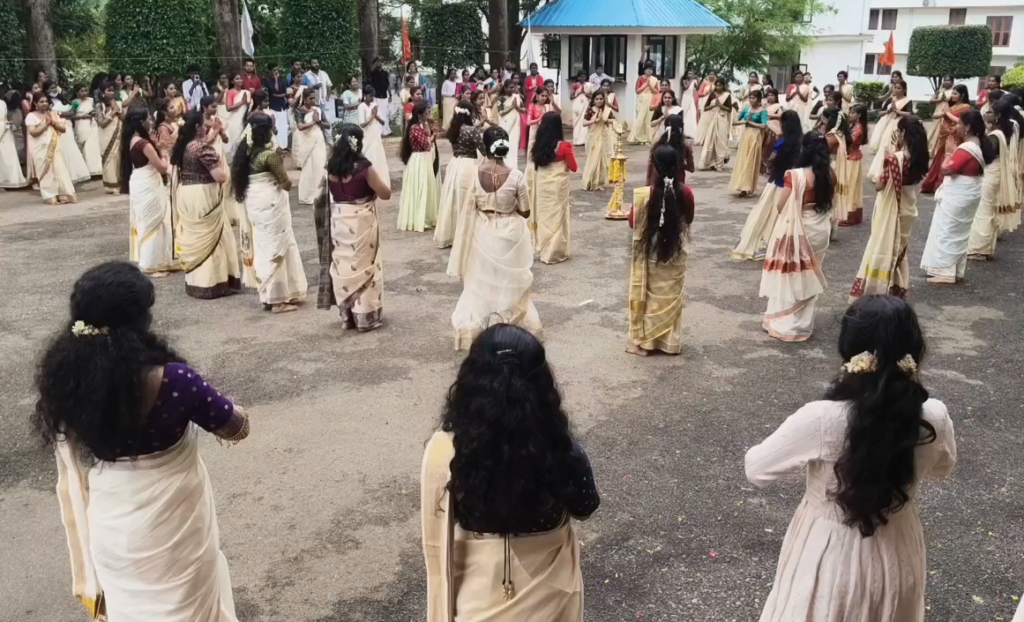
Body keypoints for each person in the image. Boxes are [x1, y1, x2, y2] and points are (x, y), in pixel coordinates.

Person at [37, 261, 248, 621]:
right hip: (177, 529)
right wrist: (234, 410)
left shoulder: (67, 381)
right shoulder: (175, 381)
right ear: (138, 321)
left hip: (113, 527)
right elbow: (235, 428)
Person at [747, 294, 955, 621]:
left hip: (828, 552)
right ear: (914, 349)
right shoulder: (935, 416)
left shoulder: (821, 418)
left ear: (849, 348)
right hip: (899, 550)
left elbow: (757, 468)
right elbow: (943, 467)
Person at [422, 323, 597, 621]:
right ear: (542, 386)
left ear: (470, 383)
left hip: (476, 597)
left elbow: (443, 519)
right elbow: (585, 506)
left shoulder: (446, 454)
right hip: (550, 597)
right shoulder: (561, 451)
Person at [448, 128, 541, 349]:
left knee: (482, 280)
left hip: (482, 231)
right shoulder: (516, 176)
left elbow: (469, 206)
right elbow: (526, 212)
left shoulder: (473, 173)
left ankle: (482, 326)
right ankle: (507, 325)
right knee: (508, 283)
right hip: (510, 233)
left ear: (486, 146)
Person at [313, 125, 392, 330]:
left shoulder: (331, 168)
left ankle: (347, 317)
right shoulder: (363, 168)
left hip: (339, 222)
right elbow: (385, 194)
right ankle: (365, 317)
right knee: (365, 266)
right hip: (361, 223)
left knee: (344, 265)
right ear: (358, 142)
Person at [759, 132, 835, 341]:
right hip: (820, 230)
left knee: (791, 274)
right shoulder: (830, 174)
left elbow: (781, 205)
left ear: (805, 149)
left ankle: (787, 324)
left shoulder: (795, 175)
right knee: (810, 273)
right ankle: (803, 324)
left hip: (800, 229)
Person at [229, 114, 307, 312]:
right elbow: (286, 184)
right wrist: (280, 161)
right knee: (276, 246)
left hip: (255, 203)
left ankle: (267, 293)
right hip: (271, 204)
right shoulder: (268, 156)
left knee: (263, 246)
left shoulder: (245, 154)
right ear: (267, 132)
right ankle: (277, 300)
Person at [850, 117, 930, 301]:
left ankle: (876, 289)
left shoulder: (895, 159)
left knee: (882, 248)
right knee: (897, 250)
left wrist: (888, 157)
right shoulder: (920, 157)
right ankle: (895, 289)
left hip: (890, 211)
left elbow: (879, 185)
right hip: (907, 208)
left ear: (903, 133)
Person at [627, 145, 694, 356]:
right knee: (670, 295)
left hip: (650, 249)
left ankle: (645, 343)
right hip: (676, 250)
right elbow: (689, 219)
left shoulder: (644, 195)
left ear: (654, 167)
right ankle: (668, 343)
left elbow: (632, 222)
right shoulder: (686, 193)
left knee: (648, 295)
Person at [170, 111, 242, 299]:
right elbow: (220, 177)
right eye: (204, 125)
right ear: (197, 128)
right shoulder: (202, 149)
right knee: (214, 236)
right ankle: (213, 282)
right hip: (204, 194)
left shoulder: (183, 147)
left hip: (187, 194)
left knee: (196, 234)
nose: (206, 127)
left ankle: (197, 282)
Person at [920, 110, 992, 283]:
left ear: (967, 127)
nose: (956, 126)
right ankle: (954, 270)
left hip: (959, 196)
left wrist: (948, 153)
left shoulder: (967, 148)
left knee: (948, 231)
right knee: (958, 232)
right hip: (968, 194)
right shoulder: (977, 145)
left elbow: (947, 169)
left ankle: (945, 272)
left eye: (959, 123)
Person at [732, 110, 803, 261]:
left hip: (776, 182)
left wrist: (768, 164)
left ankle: (766, 244)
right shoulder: (801, 144)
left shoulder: (782, 143)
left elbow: (771, 160)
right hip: (792, 183)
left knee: (766, 213)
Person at [121, 106, 177, 277]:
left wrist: (156, 146)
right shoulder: (143, 144)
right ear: (141, 122)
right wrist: (163, 151)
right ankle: (150, 264)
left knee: (148, 221)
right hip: (148, 182)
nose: (151, 121)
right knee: (153, 221)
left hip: (140, 180)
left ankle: (159, 260)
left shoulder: (132, 139)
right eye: (148, 119)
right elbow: (162, 167)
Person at [966, 100, 1019, 260]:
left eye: (989, 112)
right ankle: (985, 247)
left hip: (991, 173)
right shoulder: (1002, 130)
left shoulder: (996, 135)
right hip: (994, 172)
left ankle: (979, 249)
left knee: (984, 209)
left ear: (998, 115)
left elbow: (988, 155)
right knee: (988, 209)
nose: (985, 114)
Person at [529, 111, 577, 264]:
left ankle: (544, 248)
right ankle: (554, 251)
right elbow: (574, 167)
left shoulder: (537, 146)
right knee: (558, 217)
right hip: (557, 186)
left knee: (544, 216)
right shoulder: (564, 146)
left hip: (542, 185)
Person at [436, 101, 483, 249]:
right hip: (468, 165)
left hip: (455, 163)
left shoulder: (453, 129)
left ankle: (451, 232)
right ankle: (466, 234)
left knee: (453, 198)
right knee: (466, 199)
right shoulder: (471, 130)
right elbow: (483, 149)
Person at [25, 92, 77, 204]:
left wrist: (53, 123)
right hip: (40, 149)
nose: (44, 103)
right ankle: (50, 195)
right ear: (35, 103)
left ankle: (63, 194)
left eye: (46, 101)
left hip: (54, 147)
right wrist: (45, 124)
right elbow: (33, 133)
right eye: (41, 102)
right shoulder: (31, 116)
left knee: (59, 170)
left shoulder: (52, 114)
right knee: (47, 172)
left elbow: (63, 129)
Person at [921, 85, 972, 194]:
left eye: (955, 93)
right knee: (940, 157)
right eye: (952, 93)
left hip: (956, 135)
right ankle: (934, 184)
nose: (952, 95)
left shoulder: (966, 107)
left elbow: (960, 121)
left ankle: (944, 185)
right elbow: (934, 116)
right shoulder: (951, 106)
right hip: (944, 135)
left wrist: (947, 113)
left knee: (951, 157)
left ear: (962, 95)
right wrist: (943, 112)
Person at [398, 100, 440, 232]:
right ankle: (418, 219)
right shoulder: (415, 128)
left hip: (425, 159)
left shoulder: (423, 125)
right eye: (427, 112)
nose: (429, 114)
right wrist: (432, 136)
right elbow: (426, 146)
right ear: (420, 114)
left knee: (426, 188)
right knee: (420, 188)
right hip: (418, 160)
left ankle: (426, 216)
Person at [868, 80, 913, 182]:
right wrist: (888, 110)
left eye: (899, 88)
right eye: (895, 87)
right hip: (889, 124)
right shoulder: (890, 100)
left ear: (904, 89)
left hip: (899, 125)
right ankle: (880, 173)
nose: (896, 90)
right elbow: (880, 113)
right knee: (884, 146)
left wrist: (897, 111)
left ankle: (893, 171)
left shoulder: (907, 101)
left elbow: (910, 114)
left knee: (895, 145)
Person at [729, 90, 768, 197]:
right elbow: (734, 122)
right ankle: (742, 185)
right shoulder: (746, 110)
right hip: (746, 135)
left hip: (755, 136)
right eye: (750, 98)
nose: (751, 100)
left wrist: (750, 122)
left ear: (758, 99)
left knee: (752, 160)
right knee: (743, 160)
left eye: (753, 98)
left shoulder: (763, 111)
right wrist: (745, 122)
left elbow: (764, 126)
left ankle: (749, 187)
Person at [822, 106, 852, 236]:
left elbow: (822, 150)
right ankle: (832, 230)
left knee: (828, 198)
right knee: (833, 199)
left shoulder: (832, 135)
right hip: (836, 165)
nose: (822, 121)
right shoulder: (841, 134)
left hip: (831, 166)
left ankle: (827, 230)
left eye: (824, 118)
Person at [294, 89, 328, 206]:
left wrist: (319, 122)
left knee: (319, 165)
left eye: (314, 98)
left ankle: (320, 193)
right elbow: (300, 127)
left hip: (318, 140)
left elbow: (327, 125)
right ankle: (307, 195)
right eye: (311, 98)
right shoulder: (300, 111)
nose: (313, 100)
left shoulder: (318, 110)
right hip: (307, 142)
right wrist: (313, 122)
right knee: (308, 168)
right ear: (305, 99)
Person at [840, 104, 869, 225]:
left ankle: (849, 215)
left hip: (852, 159)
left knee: (850, 187)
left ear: (859, 115)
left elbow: (848, 142)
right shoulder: (854, 126)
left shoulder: (858, 129)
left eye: (852, 113)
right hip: (850, 158)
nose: (850, 114)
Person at [645, 115, 693, 187]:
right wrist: (680, 164)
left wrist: (649, 185)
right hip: (678, 185)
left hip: (658, 185)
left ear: (665, 127)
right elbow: (691, 168)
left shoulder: (657, 145)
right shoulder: (685, 146)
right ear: (681, 128)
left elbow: (651, 169)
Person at [357, 86, 390, 189]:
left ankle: (379, 179)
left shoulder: (374, 105)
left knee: (377, 156)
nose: (372, 98)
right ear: (365, 95)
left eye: (373, 96)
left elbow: (383, 122)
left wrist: (376, 115)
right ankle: (367, 180)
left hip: (376, 134)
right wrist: (372, 116)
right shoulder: (361, 106)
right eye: (370, 96)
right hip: (367, 135)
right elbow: (362, 124)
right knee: (368, 155)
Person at [581, 89, 614, 191]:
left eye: (601, 99)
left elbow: (613, 120)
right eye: (597, 99)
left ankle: (599, 183)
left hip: (603, 136)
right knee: (593, 160)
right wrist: (595, 120)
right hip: (593, 137)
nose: (599, 101)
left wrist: (606, 120)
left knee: (602, 161)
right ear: (593, 100)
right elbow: (584, 123)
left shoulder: (606, 110)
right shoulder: (590, 110)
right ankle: (589, 182)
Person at [697, 78, 732, 171]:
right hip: (712, 121)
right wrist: (712, 106)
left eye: (720, 85)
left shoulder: (727, 95)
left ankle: (719, 164)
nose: (718, 87)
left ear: (723, 86)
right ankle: (710, 163)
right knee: (710, 142)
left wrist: (720, 106)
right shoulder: (712, 95)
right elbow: (705, 108)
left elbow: (729, 109)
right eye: (716, 85)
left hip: (722, 120)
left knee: (721, 142)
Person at [491, 80, 525, 171]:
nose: (512, 89)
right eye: (510, 88)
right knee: (505, 143)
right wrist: (511, 107)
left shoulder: (517, 97)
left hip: (515, 124)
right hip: (505, 123)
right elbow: (501, 112)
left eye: (513, 87)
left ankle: (513, 167)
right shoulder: (501, 98)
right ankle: (503, 166)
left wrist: (517, 108)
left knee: (513, 144)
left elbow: (524, 110)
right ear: (505, 88)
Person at [71, 85, 102, 177]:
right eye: (82, 91)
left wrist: (93, 114)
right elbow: (71, 115)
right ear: (77, 92)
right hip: (81, 124)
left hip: (92, 124)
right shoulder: (75, 102)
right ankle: (88, 170)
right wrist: (83, 116)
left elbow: (96, 110)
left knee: (94, 146)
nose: (85, 93)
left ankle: (97, 170)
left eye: (86, 90)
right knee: (85, 146)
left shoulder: (91, 100)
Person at [627, 61, 659, 145]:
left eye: (651, 69)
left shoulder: (654, 79)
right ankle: (637, 137)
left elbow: (656, 91)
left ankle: (647, 138)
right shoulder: (640, 78)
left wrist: (650, 85)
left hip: (650, 99)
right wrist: (645, 85)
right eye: (647, 69)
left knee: (648, 119)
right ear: (644, 69)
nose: (649, 70)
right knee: (640, 118)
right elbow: (637, 91)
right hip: (641, 100)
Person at [0, 91, 27, 189]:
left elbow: (13, 123)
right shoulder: (3, 103)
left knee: (7, 155)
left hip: (6, 131)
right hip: (5, 129)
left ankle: (8, 179)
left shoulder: (3, 104)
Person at [304, 58, 334, 143]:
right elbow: (304, 89)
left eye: (317, 62)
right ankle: (316, 142)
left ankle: (329, 142)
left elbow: (329, 85)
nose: (316, 64)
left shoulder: (324, 73)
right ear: (310, 65)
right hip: (313, 104)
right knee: (314, 122)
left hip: (324, 102)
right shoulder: (306, 75)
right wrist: (313, 87)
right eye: (314, 63)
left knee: (327, 121)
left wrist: (327, 97)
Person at [224, 74, 251, 159]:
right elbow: (228, 108)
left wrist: (246, 103)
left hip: (245, 119)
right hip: (234, 121)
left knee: (245, 140)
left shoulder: (246, 92)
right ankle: (235, 161)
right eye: (237, 79)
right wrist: (242, 102)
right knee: (236, 141)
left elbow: (248, 106)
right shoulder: (230, 92)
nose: (240, 80)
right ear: (232, 81)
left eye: (240, 78)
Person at [265, 62, 290, 150]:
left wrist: (279, 95)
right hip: (274, 106)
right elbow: (275, 90)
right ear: (270, 71)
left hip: (283, 105)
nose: (276, 71)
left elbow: (287, 92)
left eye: (277, 69)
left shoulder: (283, 79)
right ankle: (277, 146)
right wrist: (275, 80)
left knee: (284, 126)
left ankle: (284, 146)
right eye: (274, 70)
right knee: (276, 126)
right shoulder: (268, 80)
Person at [926, 75, 954, 154]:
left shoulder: (954, 91)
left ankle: (939, 151)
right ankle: (931, 150)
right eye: (945, 80)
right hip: (937, 111)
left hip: (947, 112)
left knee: (943, 130)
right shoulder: (939, 91)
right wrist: (940, 99)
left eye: (948, 80)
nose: (946, 82)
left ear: (952, 82)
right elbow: (931, 100)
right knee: (934, 131)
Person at [525, 88, 554, 159]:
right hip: (534, 130)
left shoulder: (547, 106)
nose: (544, 98)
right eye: (542, 95)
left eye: (546, 96)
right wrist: (539, 119)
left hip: (545, 131)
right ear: (537, 95)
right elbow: (528, 122)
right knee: (532, 151)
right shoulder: (532, 106)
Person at [368, 57, 392, 136]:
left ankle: (386, 130)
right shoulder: (373, 73)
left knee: (385, 113)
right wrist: (375, 63)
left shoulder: (385, 73)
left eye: (380, 62)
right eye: (377, 62)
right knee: (378, 113)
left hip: (384, 96)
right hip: (376, 96)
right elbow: (371, 70)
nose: (379, 63)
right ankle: (379, 131)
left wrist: (390, 94)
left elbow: (388, 84)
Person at [570, 72, 594, 146]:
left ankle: (584, 140)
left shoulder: (589, 85)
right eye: (581, 76)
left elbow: (592, 97)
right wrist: (579, 93)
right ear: (578, 77)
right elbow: (571, 97)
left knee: (585, 121)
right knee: (577, 122)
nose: (582, 78)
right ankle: (577, 140)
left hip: (586, 105)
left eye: (584, 76)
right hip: (577, 106)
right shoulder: (575, 85)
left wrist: (585, 93)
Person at [693, 71, 716, 146]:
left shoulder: (717, 84)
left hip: (714, 102)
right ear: (708, 75)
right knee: (704, 119)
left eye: (713, 74)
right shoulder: (704, 83)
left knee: (712, 119)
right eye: (710, 74)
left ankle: (710, 139)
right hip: (705, 101)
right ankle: (703, 138)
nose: (711, 75)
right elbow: (699, 93)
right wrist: (705, 93)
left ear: (715, 75)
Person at [679, 71, 699, 139]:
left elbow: (697, 88)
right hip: (686, 97)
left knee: (692, 113)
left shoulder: (694, 81)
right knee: (685, 114)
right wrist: (691, 80)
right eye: (689, 73)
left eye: (692, 73)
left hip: (691, 98)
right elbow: (686, 87)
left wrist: (697, 79)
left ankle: (692, 132)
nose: (690, 75)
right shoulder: (684, 80)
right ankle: (684, 132)